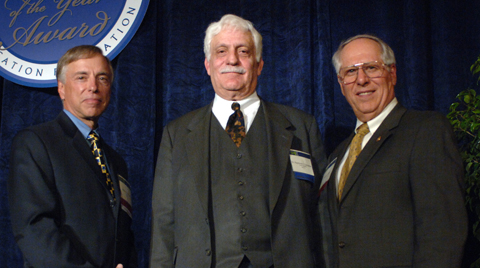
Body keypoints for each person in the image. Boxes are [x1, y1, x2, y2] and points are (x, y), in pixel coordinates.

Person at [150, 14, 327, 268]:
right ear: (208, 65)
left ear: (259, 64)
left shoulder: (302, 127)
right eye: (221, 51)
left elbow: (320, 214)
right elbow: (163, 222)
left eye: (243, 51)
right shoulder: (176, 134)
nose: (232, 59)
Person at [323, 34, 467, 267]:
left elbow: (442, 234)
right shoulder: (339, 153)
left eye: (371, 68)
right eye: (350, 72)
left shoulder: (426, 130)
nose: (361, 79)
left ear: (392, 73)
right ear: (341, 85)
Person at [8, 45, 136, 268]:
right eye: (81, 77)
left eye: (102, 78)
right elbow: (34, 228)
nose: (93, 87)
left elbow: (123, 232)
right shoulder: (36, 143)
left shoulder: (116, 161)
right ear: (62, 89)